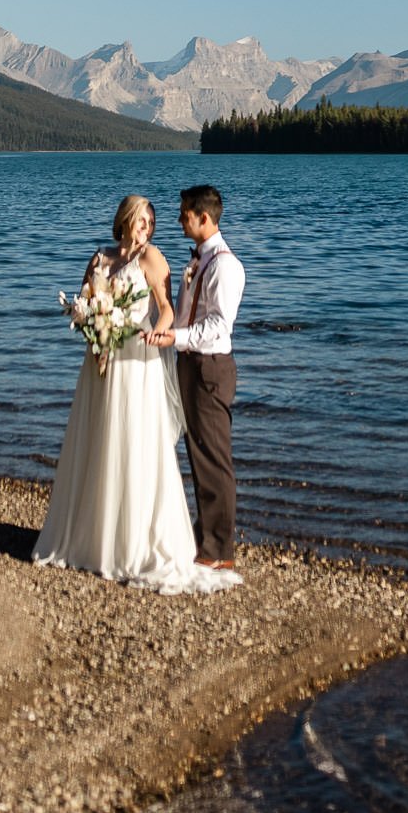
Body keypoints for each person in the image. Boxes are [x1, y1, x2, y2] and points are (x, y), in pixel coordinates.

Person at [33, 193, 239, 592]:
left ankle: (158, 544)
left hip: (136, 363)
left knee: (134, 447)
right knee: (98, 445)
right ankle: (93, 540)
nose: (147, 228)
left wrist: (161, 333)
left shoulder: (153, 258)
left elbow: (166, 309)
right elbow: (86, 303)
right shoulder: (100, 258)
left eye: (151, 222)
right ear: (125, 220)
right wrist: (92, 326)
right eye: (141, 221)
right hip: (101, 367)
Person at [145, 183, 245, 569]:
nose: (178, 219)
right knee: (198, 454)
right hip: (189, 362)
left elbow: (220, 326)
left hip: (210, 368)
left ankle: (219, 551)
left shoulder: (225, 265)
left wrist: (176, 336)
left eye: (184, 213)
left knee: (214, 458)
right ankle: (206, 540)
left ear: (204, 218)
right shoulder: (199, 261)